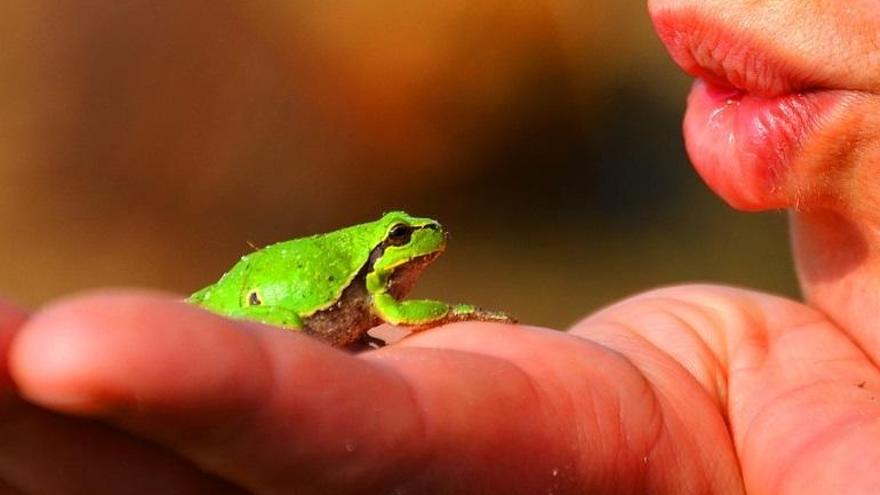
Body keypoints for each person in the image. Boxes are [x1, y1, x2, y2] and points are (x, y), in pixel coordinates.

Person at [3, 0, 880, 492]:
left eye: (409, 235)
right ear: (387, 247)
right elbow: (387, 310)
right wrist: (450, 308)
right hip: (272, 312)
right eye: (404, 234)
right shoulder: (381, 284)